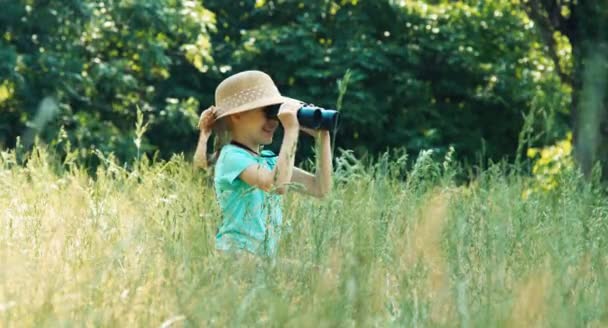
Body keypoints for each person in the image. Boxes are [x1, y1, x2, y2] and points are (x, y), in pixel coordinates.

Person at [193, 70, 333, 260]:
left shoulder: (269, 161)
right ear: (238, 115)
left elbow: (320, 188)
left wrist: (322, 137)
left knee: (317, 274)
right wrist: (291, 129)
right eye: (268, 112)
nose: (274, 122)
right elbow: (276, 185)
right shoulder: (231, 156)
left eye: (275, 113)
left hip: (262, 260)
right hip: (235, 256)